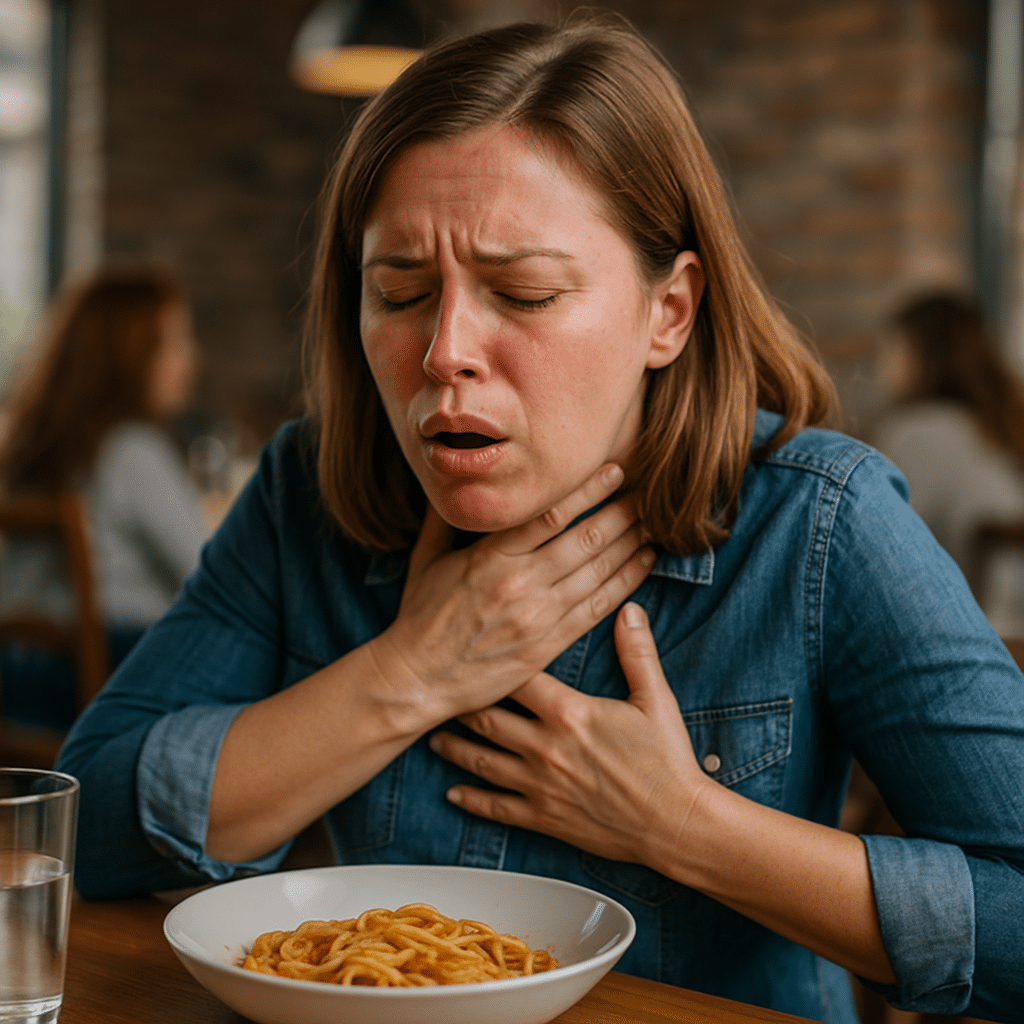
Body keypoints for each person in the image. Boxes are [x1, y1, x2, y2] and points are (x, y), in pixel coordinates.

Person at [56, 16, 1023, 1024]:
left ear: (670, 312)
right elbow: (83, 828)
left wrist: (684, 823)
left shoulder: (825, 520)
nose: (444, 351)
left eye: (523, 292)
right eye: (400, 292)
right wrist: (412, 669)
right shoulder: (309, 491)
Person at [0, 268, 207, 728]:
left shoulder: (31, 450)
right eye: (175, 341)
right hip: (102, 678)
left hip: (18, 673)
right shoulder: (132, 450)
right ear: (130, 354)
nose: (190, 360)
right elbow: (212, 571)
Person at [874, 291, 1024, 638]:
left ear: (921, 355)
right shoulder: (1003, 426)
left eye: (892, 349)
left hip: (980, 633)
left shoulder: (918, 431)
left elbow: (881, 552)